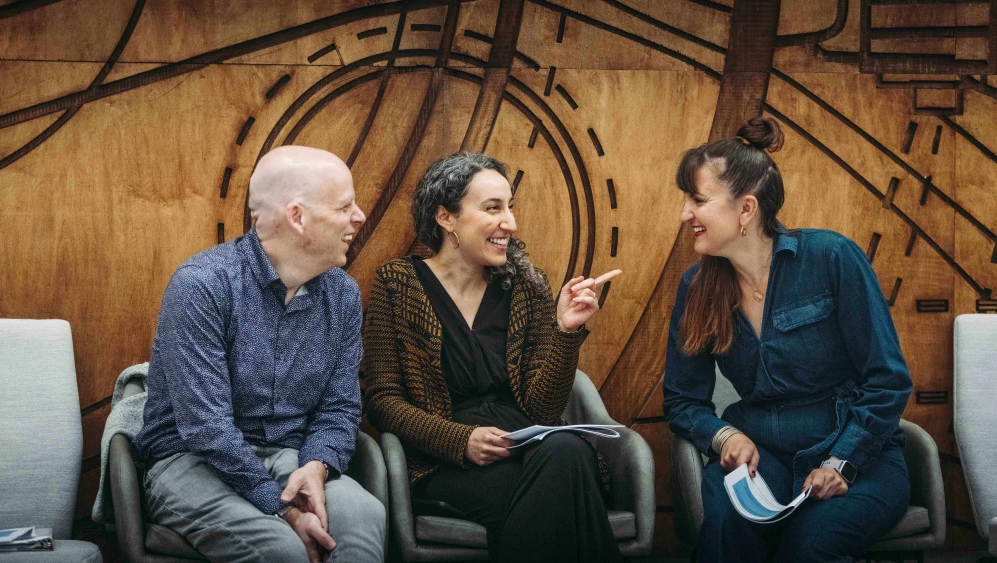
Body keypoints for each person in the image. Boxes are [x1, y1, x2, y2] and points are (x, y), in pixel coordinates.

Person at [663, 118, 913, 562]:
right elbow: (683, 400)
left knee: (810, 545)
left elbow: (888, 380)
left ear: (746, 209)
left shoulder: (832, 258)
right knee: (723, 530)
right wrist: (724, 437)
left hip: (858, 457)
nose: (685, 213)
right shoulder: (695, 286)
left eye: (697, 200)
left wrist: (841, 463)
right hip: (761, 458)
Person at [363, 152, 622, 562]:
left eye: (510, 207)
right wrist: (459, 440)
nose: (510, 223)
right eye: (492, 208)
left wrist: (565, 332)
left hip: (529, 445)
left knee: (564, 453)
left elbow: (543, 408)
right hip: (445, 462)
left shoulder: (525, 285)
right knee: (566, 474)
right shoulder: (397, 283)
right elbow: (382, 401)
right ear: (446, 218)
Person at [133, 146, 386, 563]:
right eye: (345, 206)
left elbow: (340, 408)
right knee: (281, 549)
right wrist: (282, 506)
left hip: (292, 456)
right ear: (297, 217)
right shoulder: (203, 285)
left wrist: (317, 466)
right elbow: (206, 427)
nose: (359, 217)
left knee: (362, 516)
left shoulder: (341, 295)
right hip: (189, 461)